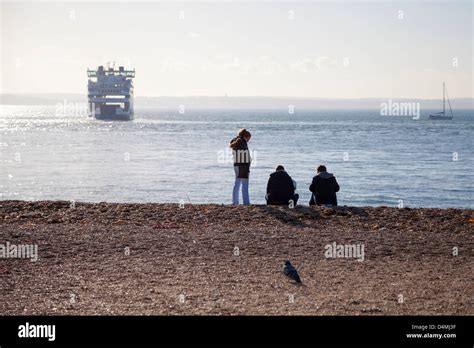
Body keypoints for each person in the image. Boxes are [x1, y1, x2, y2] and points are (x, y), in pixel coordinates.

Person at [229, 128, 252, 205]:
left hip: (236, 165)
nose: (249, 140)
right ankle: (246, 202)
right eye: (249, 138)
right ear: (246, 137)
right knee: (245, 184)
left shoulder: (235, 141)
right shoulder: (243, 143)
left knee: (237, 183)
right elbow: (245, 157)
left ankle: (235, 201)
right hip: (243, 166)